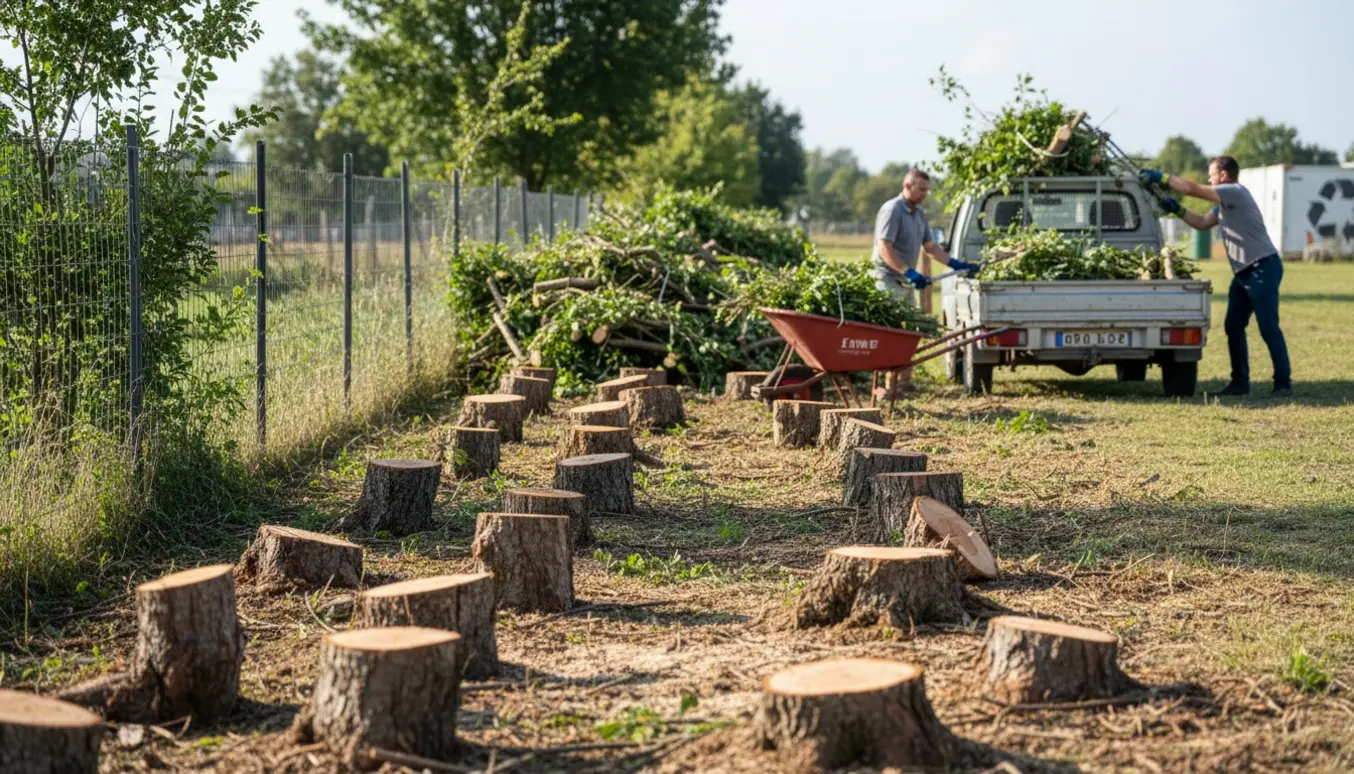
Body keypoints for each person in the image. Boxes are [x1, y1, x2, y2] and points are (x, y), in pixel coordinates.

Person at [1140, 156, 1293, 398]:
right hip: (1244, 273)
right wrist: (1177, 209)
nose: (1208, 180)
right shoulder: (1223, 205)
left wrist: (1162, 178)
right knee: (1233, 326)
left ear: (1223, 175)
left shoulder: (1234, 191)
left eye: (1211, 175)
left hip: (1263, 268)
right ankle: (1240, 382)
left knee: (1268, 328)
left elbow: (1191, 188)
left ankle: (1283, 383)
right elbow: (1201, 223)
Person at [871, 169, 979, 301]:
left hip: (905, 280)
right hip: (886, 280)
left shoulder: (919, 214)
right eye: (921, 189)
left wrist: (958, 265)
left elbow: (931, 248)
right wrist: (908, 272)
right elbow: (884, 247)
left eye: (927, 190)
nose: (925, 194)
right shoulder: (893, 209)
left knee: (911, 321)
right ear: (907, 186)